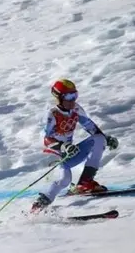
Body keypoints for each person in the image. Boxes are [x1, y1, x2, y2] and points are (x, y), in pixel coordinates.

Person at [30, 79, 119, 213]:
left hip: (70, 154)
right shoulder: (52, 114)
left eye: (75, 95)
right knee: (65, 180)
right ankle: (38, 206)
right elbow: (46, 140)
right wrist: (63, 146)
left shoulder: (76, 109)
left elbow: (90, 126)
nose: (73, 100)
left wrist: (106, 139)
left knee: (99, 139)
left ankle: (84, 183)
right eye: (69, 96)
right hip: (54, 157)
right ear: (59, 97)